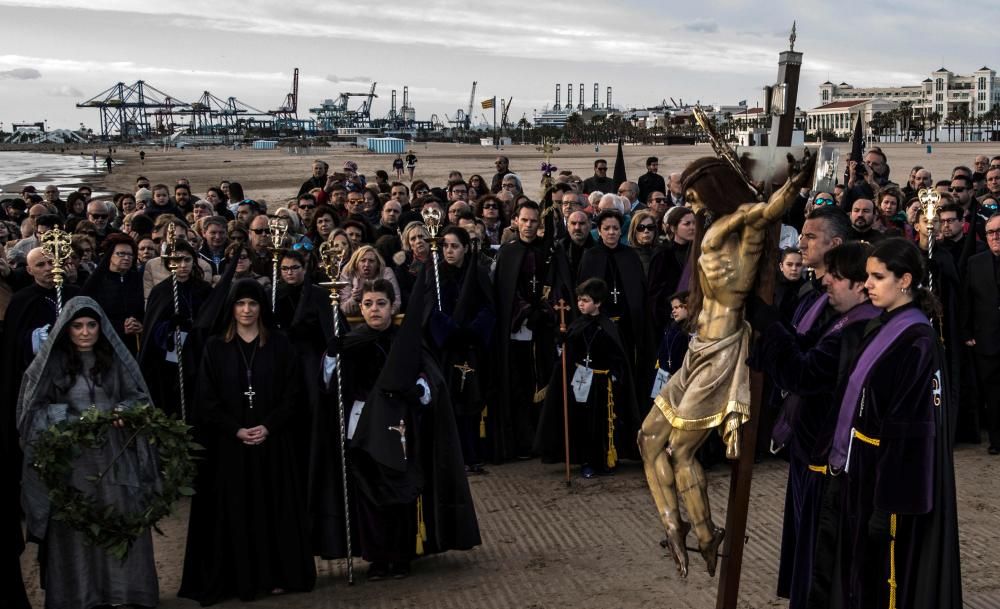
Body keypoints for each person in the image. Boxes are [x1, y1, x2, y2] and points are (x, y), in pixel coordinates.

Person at [638, 152, 815, 578]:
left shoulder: (745, 225)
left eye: (696, 195)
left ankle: (705, 532)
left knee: (681, 450)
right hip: (698, 346)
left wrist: (793, 183)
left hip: (722, 351)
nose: (692, 205)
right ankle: (673, 525)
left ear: (714, 188)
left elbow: (769, 211)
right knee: (647, 439)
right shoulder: (713, 226)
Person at [809, 238, 961, 609]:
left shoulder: (916, 339)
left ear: (905, 280)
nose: (868, 285)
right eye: (867, 277)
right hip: (858, 473)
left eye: (878, 277)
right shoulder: (882, 324)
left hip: (883, 483)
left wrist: (887, 507)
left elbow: (911, 431)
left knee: (879, 581)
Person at [746, 242, 880, 609]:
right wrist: (770, 328)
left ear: (859, 285)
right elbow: (804, 345)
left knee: (822, 556)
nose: (827, 284)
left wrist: (772, 329)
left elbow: (805, 372)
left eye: (836, 278)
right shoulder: (843, 318)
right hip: (811, 453)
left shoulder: (859, 328)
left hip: (829, 462)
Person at [323, 278, 481, 579]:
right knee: (369, 493)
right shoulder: (351, 341)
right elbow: (331, 384)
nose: (374, 310)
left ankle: (402, 554)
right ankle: (378, 557)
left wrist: (417, 390)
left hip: (399, 424)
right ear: (360, 307)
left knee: (402, 490)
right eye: (368, 304)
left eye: (380, 303)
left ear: (392, 306)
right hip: (363, 424)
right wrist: (332, 355)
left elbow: (430, 377)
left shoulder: (405, 341)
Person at [179, 279, 315, 605]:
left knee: (272, 508)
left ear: (260, 307)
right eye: (240, 304)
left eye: (252, 304)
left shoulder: (280, 344)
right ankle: (239, 577)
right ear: (231, 308)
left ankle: (277, 575)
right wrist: (235, 429)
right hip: (230, 447)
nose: (246, 310)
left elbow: (293, 393)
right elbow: (206, 399)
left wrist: (268, 425)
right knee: (236, 510)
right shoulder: (215, 347)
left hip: (273, 444)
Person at [18, 297, 159, 609]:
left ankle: (126, 592)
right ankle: (79, 594)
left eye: (91, 325)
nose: (85, 332)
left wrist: (125, 409)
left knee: (120, 518)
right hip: (73, 460)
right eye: (78, 326)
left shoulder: (117, 359)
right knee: (76, 523)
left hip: (115, 455)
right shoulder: (50, 365)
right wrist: (69, 421)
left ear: (101, 326)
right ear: (66, 330)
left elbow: (140, 397)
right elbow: (32, 410)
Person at [535, 278, 639, 478]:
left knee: (603, 423)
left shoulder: (609, 326)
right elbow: (567, 354)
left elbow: (618, 356)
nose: (581, 304)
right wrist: (562, 340)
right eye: (580, 300)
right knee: (583, 423)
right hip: (581, 384)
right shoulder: (576, 325)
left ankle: (605, 460)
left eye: (586, 300)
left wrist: (616, 375)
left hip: (602, 384)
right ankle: (586, 461)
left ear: (598, 303)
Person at [423, 226, 495, 472]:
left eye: (454, 246)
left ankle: (474, 454)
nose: (449, 251)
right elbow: (429, 309)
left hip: (471, 348)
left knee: (471, 402)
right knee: (450, 403)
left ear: (465, 248)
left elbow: (488, 307)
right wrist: (448, 331)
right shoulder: (434, 273)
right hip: (447, 349)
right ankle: (454, 458)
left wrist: (472, 331)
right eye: (445, 246)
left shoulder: (477, 272)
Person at [138, 240, 212, 419]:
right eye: (177, 260)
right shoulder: (161, 291)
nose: (183, 265)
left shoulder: (203, 289)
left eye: (187, 260)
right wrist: (168, 326)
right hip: (170, 358)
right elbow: (152, 330)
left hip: (198, 352)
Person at [578, 210, 650, 394]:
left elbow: (639, 292)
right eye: (606, 228)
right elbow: (583, 293)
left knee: (626, 372)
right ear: (599, 231)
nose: (611, 232)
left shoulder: (630, 256)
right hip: (600, 325)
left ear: (621, 231)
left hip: (627, 326)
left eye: (615, 228)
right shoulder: (590, 256)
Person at [962, 212, 1000, 454]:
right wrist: (967, 332)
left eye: (999, 232)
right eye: (991, 232)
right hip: (987, 339)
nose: (995, 236)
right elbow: (967, 300)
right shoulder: (975, 263)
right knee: (993, 395)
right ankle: (997, 441)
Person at [81, 234, 145, 355]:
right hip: (105, 345)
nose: (126, 258)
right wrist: (120, 327)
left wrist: (140, 324)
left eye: (130, 255)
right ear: (110, 256)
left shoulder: (138, 280)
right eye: (121, 254)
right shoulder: (97, 282)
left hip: (134, 344)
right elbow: (91, 315)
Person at [338, 245, 402, 316]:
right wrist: (354, 299)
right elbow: (344, 310)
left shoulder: (386, 272)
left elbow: (396, 305)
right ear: (356, 264)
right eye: (363, 260)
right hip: (355, 324)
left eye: (371, 261)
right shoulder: (348, 273)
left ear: (377, 264)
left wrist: (377, 314)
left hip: (382, 321)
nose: (367, 264)